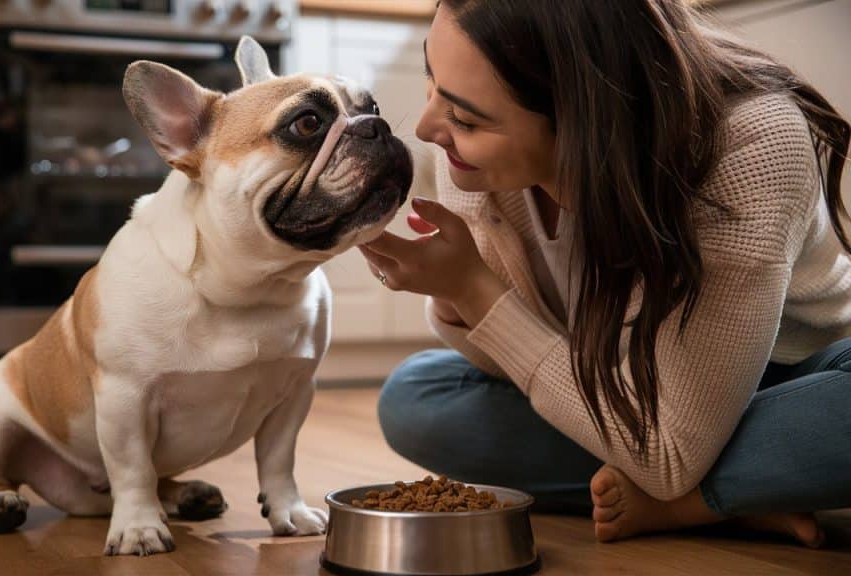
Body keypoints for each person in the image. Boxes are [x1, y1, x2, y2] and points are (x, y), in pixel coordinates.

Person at [360, 0, 851, 546]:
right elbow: (524, 363)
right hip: (620, 391)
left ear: (584, 120)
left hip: (796, 375)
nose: (427, 127)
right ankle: (757, 482)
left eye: (466, 117)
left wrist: (478, 292)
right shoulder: (478, 165)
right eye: (432, 81)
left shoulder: (752, 144)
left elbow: (668, 452)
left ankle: (697, 498)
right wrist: (456, 294)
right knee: (415, 395)